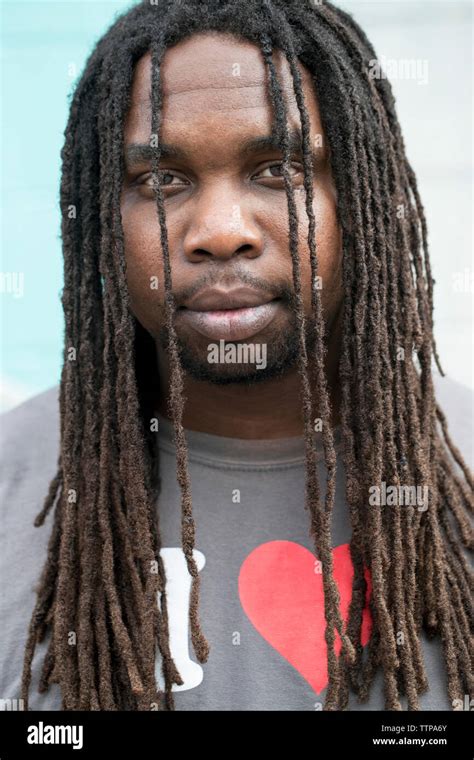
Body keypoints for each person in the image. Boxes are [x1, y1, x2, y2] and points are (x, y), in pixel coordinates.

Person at [0, 0, 472, 712]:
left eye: (277, 169)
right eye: (161, 181)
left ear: (359, 194)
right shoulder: (12, 486)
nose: (220, 233)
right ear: (101, 217)